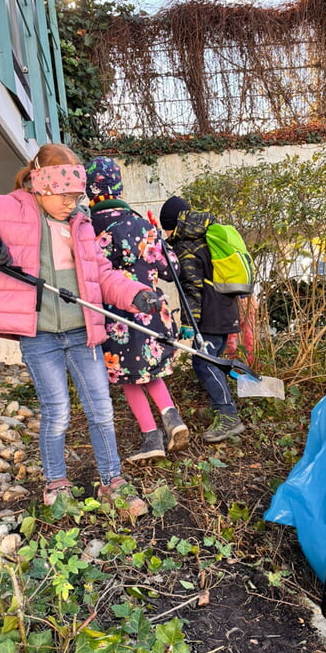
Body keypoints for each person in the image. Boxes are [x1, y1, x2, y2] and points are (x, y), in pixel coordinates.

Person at [0, 143, 162, 515]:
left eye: (76, 196)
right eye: (64, 195)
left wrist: (136, 294)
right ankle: (57, 482)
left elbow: (101, 274)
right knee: (57, 411)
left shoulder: (81, 223)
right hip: (39, 336)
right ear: (41, 185)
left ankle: (112, 481)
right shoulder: (6, 208)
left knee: (101, 410)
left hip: (81, 332)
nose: (71, 203)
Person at [85, 157, 189, 462]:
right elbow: (174, 270)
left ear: (90, 189)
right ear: (118, 185)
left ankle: (151, 438)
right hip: (154, 313)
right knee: (148, 370)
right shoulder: (144, 225)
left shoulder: (87, 228)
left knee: (128, 377)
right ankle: (172, 418)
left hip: (116, 317)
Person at [159, 197, 244, 443]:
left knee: (204, 363)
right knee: (211, 361)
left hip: (210, 315)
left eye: (166, 228)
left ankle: (229, 415)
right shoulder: (205, 235)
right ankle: (221, 406)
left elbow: (191, 290)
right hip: (224, 310)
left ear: (172, 224)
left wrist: (188, 324)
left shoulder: (187, 247)